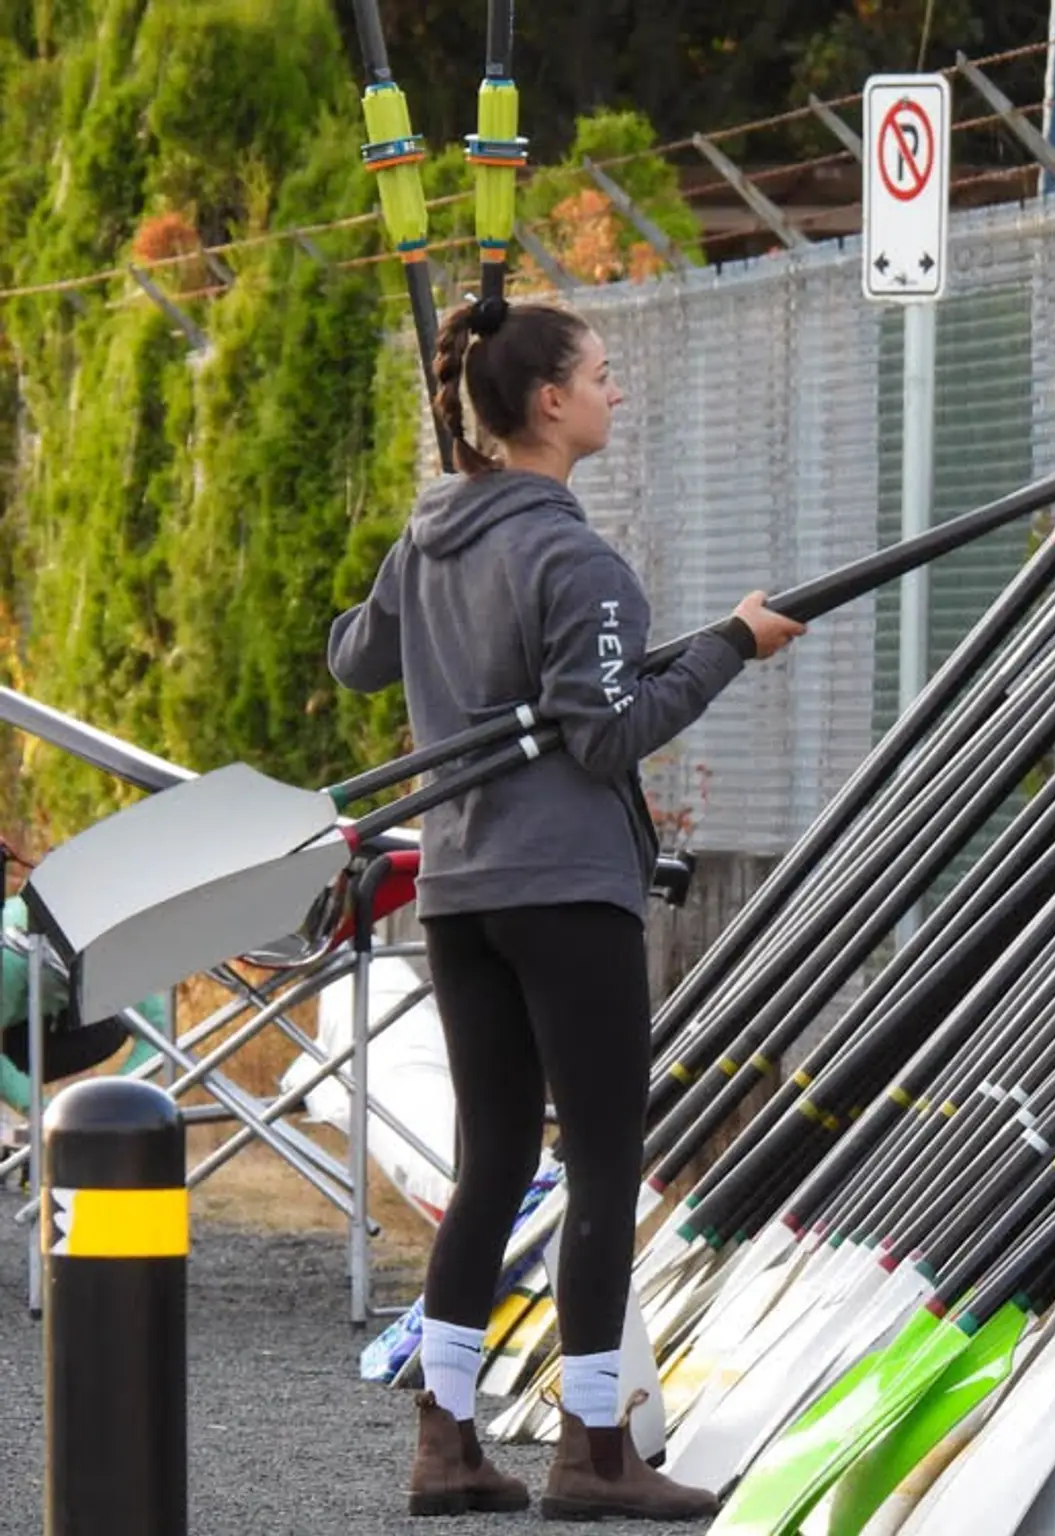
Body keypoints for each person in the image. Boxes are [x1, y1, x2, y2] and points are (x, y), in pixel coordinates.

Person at [327, 294, 804, 1521]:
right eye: (600, 374)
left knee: (492, 1159)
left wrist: (432, 547)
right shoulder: (579, 563)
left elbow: (355, 658)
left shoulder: (428, 537)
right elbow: (605, 738)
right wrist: (730, 648)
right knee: (601, 1164)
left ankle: (445, 1443)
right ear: (548, 403)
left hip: (456, 892)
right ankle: (594, 1453)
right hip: (565, 889)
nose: (615, 390)